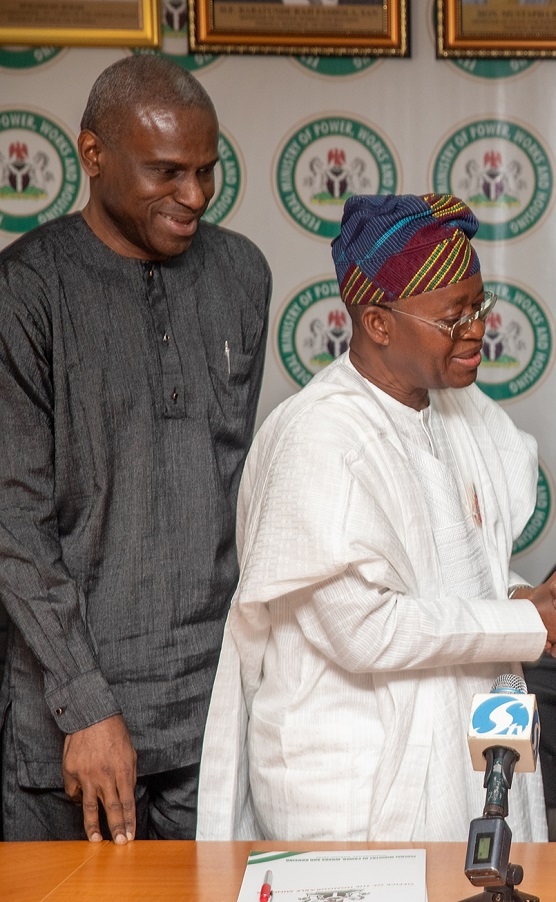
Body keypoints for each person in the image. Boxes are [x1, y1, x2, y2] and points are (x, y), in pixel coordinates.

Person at [196, 193, 556, 842]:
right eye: (453, 317)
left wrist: (536, 596)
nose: (478, 329)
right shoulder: (319, 437)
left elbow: (458, 565)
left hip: (461, 764)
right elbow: (363, 628)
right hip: (352, 792)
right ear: (377, 322)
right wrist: (531, 622)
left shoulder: (463, 413)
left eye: (479, 307)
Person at [0, 56, 271, 843]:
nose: (193, 196)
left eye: (207, 171)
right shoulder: (25, 292)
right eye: (166, 172)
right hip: (70, 723)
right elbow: (14, 522)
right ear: (92, 155)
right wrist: (85, 703)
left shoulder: (241, 275)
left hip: (212, 713)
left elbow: (230, 485)